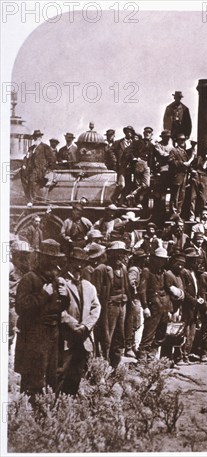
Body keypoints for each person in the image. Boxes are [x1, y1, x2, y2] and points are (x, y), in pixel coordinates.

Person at [14, 239, 66, 397]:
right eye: (49, 258)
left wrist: (65, 297)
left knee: (51, 375)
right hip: (34, 335)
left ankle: (45, 412)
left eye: (55, 259)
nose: (52, 262)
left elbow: (58, 308)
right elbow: (21, 307)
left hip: (52, 333)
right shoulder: (29, 279)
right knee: (33, 377)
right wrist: (44, 294)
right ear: (40, 258)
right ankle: (29, 413)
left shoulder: (55, 280)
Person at [57, 248, 101, 395]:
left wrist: (85, 326)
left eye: (83, 263)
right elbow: (59, 309)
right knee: (61, 371)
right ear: (70, 262)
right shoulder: (61, 282)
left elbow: (96, 308)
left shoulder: (89, 286)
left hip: (83, 336)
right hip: (67, 336)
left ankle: (70, 402)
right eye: (77, 262)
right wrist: (74, 325)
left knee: (76, 372)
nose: (80, 267)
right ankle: (55, 406)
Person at [138, 247, 178, 361]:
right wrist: (145, 307)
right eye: (159, 259)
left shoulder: (163, 273)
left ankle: (151, 357)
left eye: (163, 260)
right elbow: (142, 290)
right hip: (153, 307)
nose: (161, 262)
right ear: (154, 259)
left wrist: (170, 309)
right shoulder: (147, 271)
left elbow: (168, 291)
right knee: (148, 334)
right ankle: (142, 360)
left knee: (161, 335)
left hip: (164, 308)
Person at [20, 129, 55, 202]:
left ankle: (33, 199)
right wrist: (24, 164)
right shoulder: (31, 148)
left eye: (37, 137)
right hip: (31, 168)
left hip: (40, 169)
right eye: (35, 137)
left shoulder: (45, 147)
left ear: (40, 138)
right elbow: (26, 157)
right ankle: (27, 196)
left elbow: (52, 159)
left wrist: (47, 169)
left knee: (32, 179)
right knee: (22, 174)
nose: (36, 139)